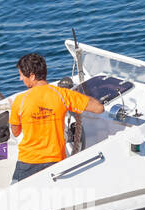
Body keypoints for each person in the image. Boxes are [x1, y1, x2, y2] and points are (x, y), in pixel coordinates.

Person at [9, 53, 105, 182]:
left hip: (27, 162)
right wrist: (76, 95)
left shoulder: (19, 100)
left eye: (21, 75)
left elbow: (15, 132)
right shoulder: (63, 95)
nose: (20, 78)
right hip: (54, 162)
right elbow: (99, 108)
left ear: (32, 76)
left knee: (16, 198)